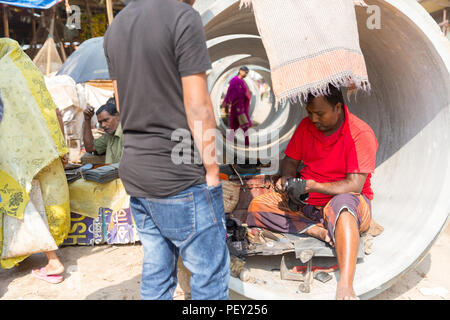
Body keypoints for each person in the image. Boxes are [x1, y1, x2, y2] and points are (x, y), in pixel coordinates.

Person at [104, 0, 230, 300]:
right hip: (181, 176)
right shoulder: (183, 18)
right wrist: (213, 170)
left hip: (136, 173)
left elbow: (120, 105)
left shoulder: (116, 27)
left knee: (157, 274)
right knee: (209, 278)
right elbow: (198, 106)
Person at [246, 85, 378, 300]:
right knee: (258, 206)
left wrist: (314, 185)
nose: (314, 119)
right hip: (309, 203)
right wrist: (287, 180)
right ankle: (319, 231)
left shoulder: (360, 133)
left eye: (320, 113)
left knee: (343, 208)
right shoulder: (306, 126)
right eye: (309, 112)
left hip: (347, 200)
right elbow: (290, 161)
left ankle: (345, 285)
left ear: (338, 107)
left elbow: (355, 185)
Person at [83, 97, 123, 164]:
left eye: (106, 120)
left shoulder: (126, 134)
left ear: (117, 116)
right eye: (100, 122)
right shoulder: (109, 135)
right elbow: (90, 147)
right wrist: (87, 120)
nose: (103, 125)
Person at [222, 66, 252, 145]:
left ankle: (231, 141)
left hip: (240, 106)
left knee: (235, 125)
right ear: (240, 71)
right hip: (237, 107)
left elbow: (245, 93)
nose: (246, 74)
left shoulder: (241, 82)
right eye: (245, 72)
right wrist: (227, 103)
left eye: (247, 73)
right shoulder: (235, 80)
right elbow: (230, 92)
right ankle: (246, 143)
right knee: (243, 125)